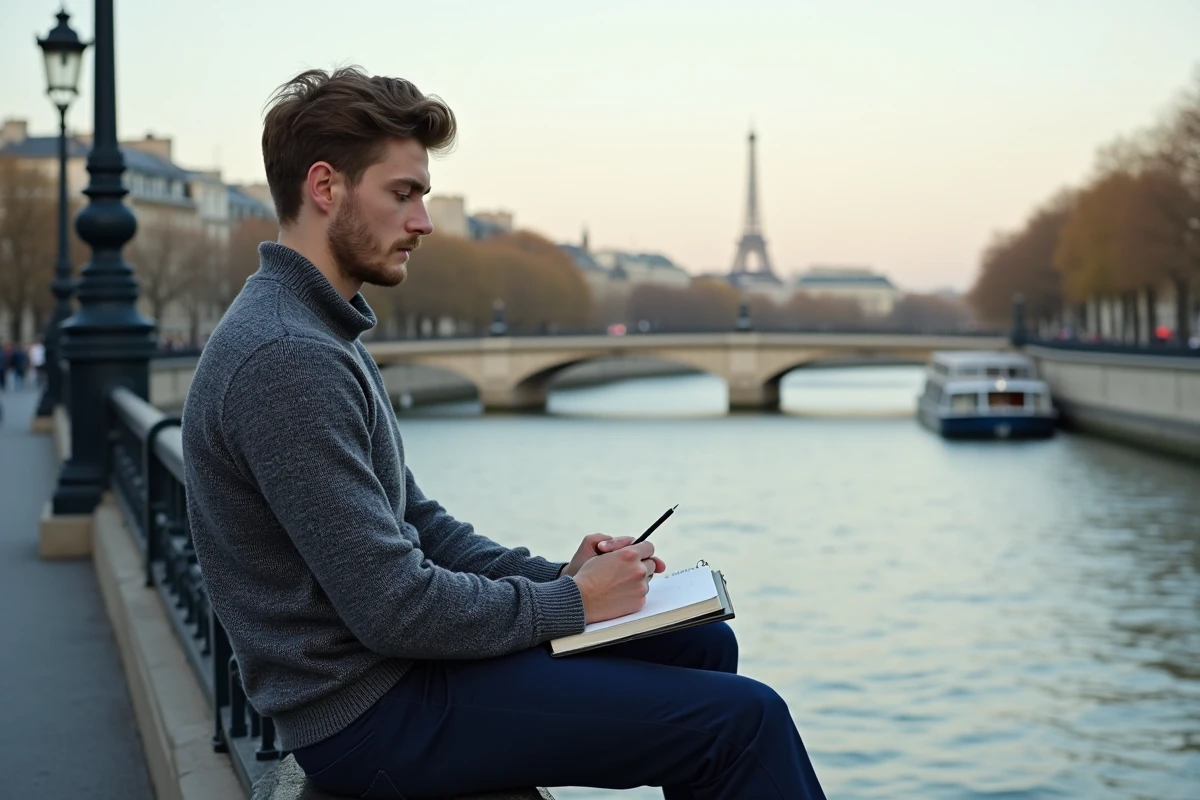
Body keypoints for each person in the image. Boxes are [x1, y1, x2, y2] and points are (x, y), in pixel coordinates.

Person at [182, 67, 826, 800]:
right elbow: (395, 607)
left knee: (700, 640)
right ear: (325, 188)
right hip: (369, 719)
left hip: (391, 685)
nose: (423, 221)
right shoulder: (288, 358)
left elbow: (419, 526)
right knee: (746, 722)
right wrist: (577, 604)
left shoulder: (317, 334)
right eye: (404, 194)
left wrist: (557, 576)